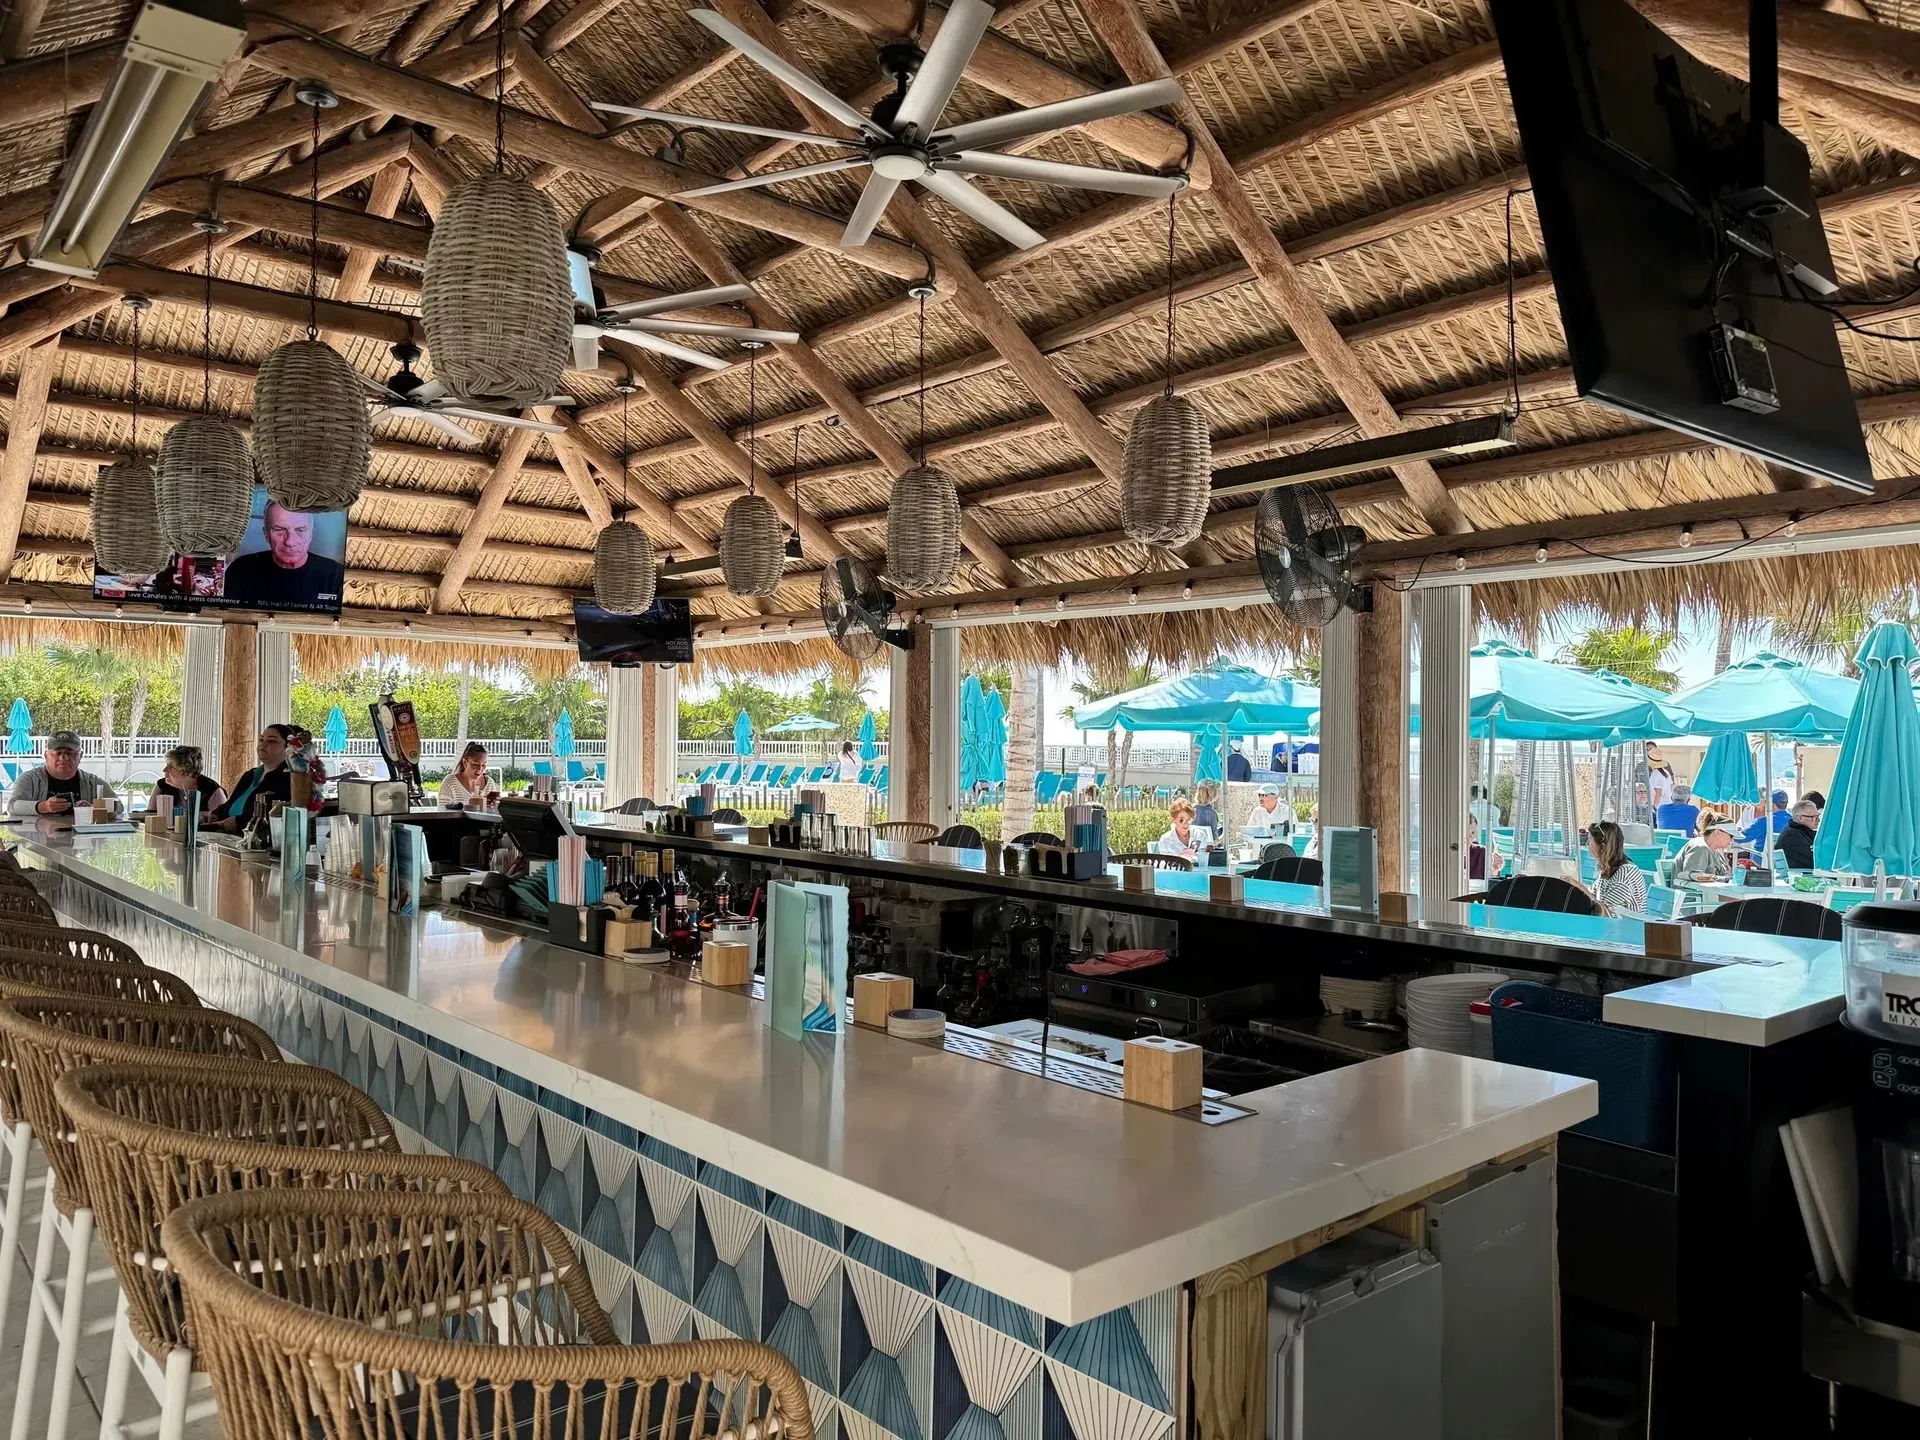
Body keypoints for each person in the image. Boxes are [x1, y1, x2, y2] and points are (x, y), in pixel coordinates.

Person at [221, 502, 344, 610]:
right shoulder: (241, 569)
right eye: (279, 530)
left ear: (310, 534)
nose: (290, 542)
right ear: (266, 534)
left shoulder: (335, 575)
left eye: (300, 530)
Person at [7, 731, 115, 818]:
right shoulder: (29, 780)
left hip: (81, 841)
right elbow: (12, 805)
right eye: (57, 753)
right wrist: (43, 806)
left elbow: (118, 806)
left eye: (70, 753)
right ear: (46, 755)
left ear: (80, 756)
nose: (63, 758)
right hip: (39, 841)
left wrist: (94, 808)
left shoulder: (92, 782)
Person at [210, 723, 294, 830]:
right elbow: (231, 804)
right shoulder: (250, 775)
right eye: (261, 740)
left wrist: (239, 822)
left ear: (288, 747)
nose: (263, 744)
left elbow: (273, 815)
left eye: (272, 741)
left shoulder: (289, 779)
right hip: (228, 836)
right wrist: (215, 814)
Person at [1586, 819, 1649, 916]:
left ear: (1602, 845)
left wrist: (1579, 887)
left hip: (1628, 928)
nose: (1587, 844)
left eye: (1590, 840)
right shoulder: (1609, 868)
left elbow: (1606, 915)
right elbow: (1593, 895)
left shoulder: (1624, 876)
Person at [152, 744, 226, 816]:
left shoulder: (212, 791)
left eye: (171, 767)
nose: (164, 770)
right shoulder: (162, 786)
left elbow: (221, 820)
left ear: (188, 771)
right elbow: (149, 815)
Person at [438, 742, 499, 808]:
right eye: (475, 764)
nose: (480, 769)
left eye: (483, 765)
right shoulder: (450, 783)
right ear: (465, 763)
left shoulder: (489, 783)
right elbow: (442, 810)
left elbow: (494, 811)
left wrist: (496, 804)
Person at [1673, 822, 1737, 881]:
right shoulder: (1699, 847)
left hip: (1712, 892)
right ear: (1717, 832)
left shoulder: (1718, 853)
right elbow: (1691, 881)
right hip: (1693, 892)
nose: (1732, 840)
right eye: (1731, 836)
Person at [1779, 799, 1820, 870]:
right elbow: (1816, 861)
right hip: (1804, 877)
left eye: (1818, 816)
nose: (1818, 820)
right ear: (1800, 818)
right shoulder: (1792, 836)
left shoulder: (1804, 832)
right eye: (1813, 817)